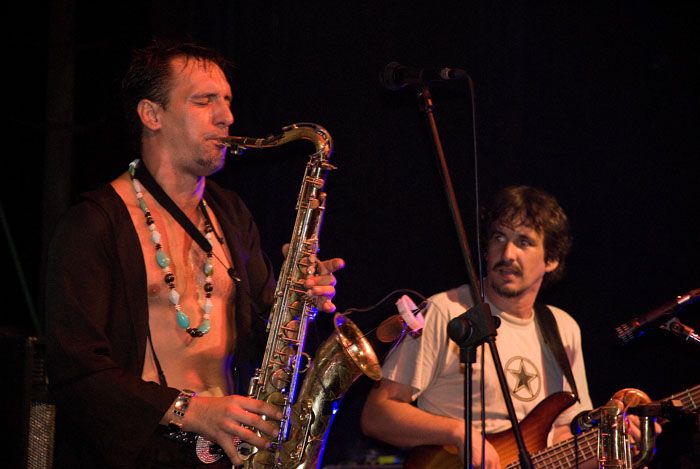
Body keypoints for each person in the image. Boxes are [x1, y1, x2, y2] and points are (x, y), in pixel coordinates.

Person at [45, 39, 344, 468]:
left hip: (226, 451)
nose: (227, 117)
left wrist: (301, 299)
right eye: (204, 101)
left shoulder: (231, 214)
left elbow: (270, 337)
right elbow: (76, 371)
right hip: (142, 454)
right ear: (152, 115)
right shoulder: (93, 224)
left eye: (227, 101)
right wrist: (193, 410)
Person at [361, 185, 592, 468]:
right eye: (499, 237)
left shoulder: (564, 328)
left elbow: (561, 438)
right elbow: (376, 415)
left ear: (551, 259)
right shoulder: (445, 311)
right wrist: (458, 432)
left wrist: (618, 444)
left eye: (524, 242)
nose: (508, 253)